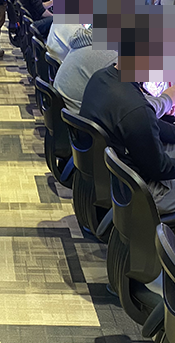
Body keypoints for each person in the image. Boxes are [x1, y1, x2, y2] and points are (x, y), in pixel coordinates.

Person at [79, 33, 175, 215]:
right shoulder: (135, 108)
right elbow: (160, 169)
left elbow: (149, 124)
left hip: (106, 175)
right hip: (134, 192)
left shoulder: (100, 77)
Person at [56, 26, 173, 116]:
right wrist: (168, 99)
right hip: (85, 128)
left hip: (69, 117)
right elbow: (138, 111)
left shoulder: (91, 42)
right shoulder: (111, 61)